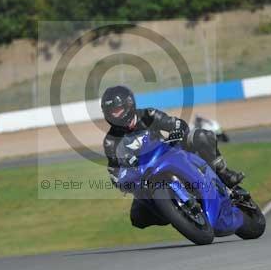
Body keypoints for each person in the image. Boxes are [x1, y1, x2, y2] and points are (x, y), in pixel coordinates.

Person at [101, 85, 244, 229]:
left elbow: (176, 123)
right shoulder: (110, 141)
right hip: (146, 177)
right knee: (137, 218)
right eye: (111, 113)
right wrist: (122, 180)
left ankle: (224, 173)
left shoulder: (148, 115)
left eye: (118, 111)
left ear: (129, 105)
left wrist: (177, 131)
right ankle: (174, 211)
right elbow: (115, 171)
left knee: (201, 136)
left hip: (171, 153)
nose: (115, 116)